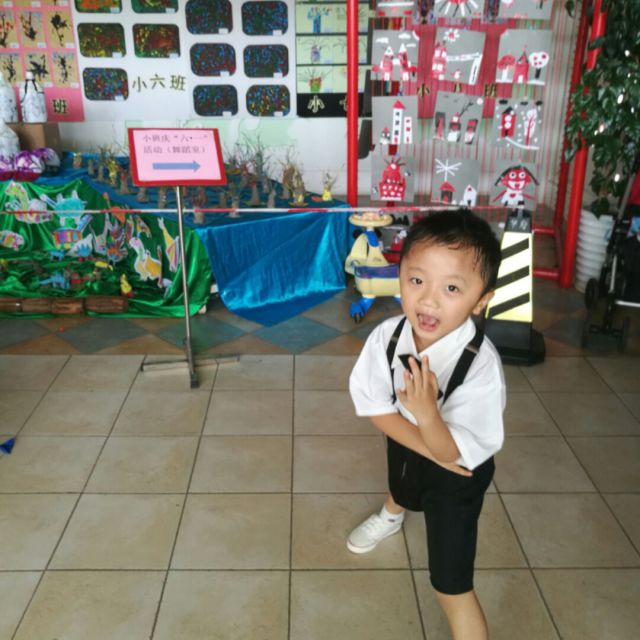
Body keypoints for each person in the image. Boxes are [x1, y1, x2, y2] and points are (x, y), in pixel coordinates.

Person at [347, 208, 505, 640]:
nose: (429, 301)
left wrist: (428, 413)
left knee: (450, 585)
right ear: (398, 276)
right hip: (408, 440)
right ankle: (393, 513)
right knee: (402, 482)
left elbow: (452, 454)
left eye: (451, 288)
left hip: (458, 474)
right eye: (416, 280)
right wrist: (420, 434)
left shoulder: (481, 366)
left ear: (481, 299)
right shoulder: (388, 336)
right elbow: (374, 407)